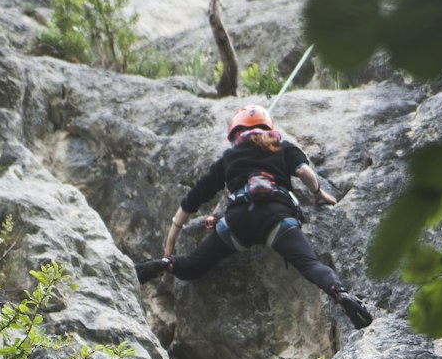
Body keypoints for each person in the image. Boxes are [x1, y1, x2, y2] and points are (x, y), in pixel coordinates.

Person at [141, 106, 372, 329]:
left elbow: (194, 198)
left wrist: (171, 240)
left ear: (235, 134)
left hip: (239, 221)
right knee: (311, 264)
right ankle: (340, 294)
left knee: (192, 265)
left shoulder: (230, 157)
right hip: (278, 218)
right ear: (268, 127)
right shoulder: (283, 147)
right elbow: (304, 172)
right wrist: (318, 193)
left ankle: (163, 265)